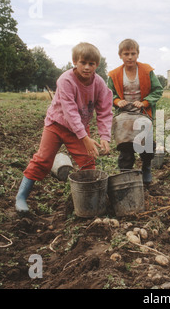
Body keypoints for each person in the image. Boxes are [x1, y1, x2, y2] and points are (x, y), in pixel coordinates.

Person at [15, 42, 113, 213]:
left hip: (79, 129)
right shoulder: (66, 80)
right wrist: (85, 138)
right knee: (43, 160)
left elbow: (104, 110)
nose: (87, 67)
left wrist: (105, 137)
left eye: (91, 64)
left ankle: (90, 201)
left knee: (88, 162)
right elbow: (70, 112)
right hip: (56, 125)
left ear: (97, 65)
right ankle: (21, 197)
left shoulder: (99, 83)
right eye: (83, 62)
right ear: (74, 61)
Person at [107, 39, 163, 185]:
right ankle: (126, 171)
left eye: (133, 53)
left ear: (138, 54)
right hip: (124, 113)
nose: (130, 57)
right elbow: (108, 93)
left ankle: (146, 167)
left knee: (145, 139)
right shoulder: (114, 74)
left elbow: (158, 90)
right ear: (120, 55)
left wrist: (144, 102)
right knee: (125, 142)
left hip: (142, 111)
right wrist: (117, 101)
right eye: (126, 54)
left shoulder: (147, 71)